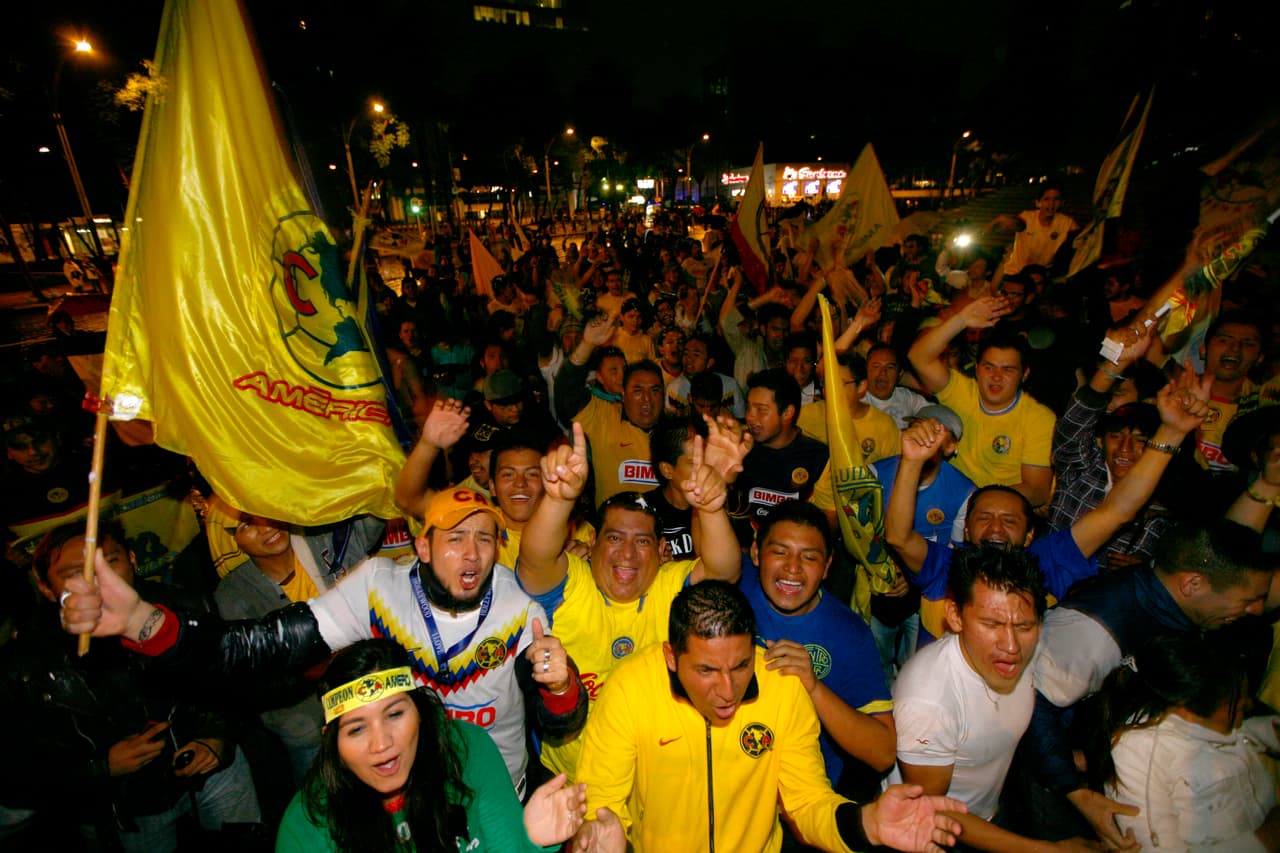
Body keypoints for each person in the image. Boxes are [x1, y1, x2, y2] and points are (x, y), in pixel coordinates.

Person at [60, 488, 587, 801]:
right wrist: (142, 620)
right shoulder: (378, 588)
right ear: (422, 545)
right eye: (454, 537)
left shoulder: (520, 610)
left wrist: (562, 686)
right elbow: (259, 649)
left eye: (484, 538)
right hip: (409, 796)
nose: (470, 554)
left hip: (499, 791)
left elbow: (560, 724)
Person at [571, 580, 968, 853]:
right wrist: (597, 833)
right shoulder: (629, 686)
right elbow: (602, 801)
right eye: (707, 671)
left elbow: (808, 802)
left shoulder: (782, 685)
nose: (728, 691)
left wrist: (868, 825)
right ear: (672, 658)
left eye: (741, 666)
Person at [885, 369, 1209, 644]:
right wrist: (912, 463)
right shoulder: (946, 567)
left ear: (1029, 536)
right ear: (966, 530)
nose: (996, 528)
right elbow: (899, 536)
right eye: (984, 518)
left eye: (1009, 520)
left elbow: (1116, 511)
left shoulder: (1047, 563)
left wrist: (1171, 431)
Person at [0, 521, 262, 851]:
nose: (99, 582)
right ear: (47, 588)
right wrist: (101, 767)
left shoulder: (182, 609)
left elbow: (229, 681)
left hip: (214, 771)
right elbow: (17, 769)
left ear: (134, 560)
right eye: (74, 572)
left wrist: (216, 736)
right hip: (123, 808)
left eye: (110, 562)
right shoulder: (24, 663)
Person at [517, 421, 744, 776]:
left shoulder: (669, 585)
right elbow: (535, 556)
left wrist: (712, 508)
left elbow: (724, 572)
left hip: (653, 778)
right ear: (591, 544)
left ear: (662, 549)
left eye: (642, 541)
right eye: (614, 538)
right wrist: (559, 500)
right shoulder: (573, 583)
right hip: (570, 779)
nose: (628, 554)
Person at [278, 638, 589, 852]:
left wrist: (530, 839)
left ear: (420, 713)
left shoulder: (468, 750)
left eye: (395, 714)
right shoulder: (307, 824)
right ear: (331, 741)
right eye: (357, 729)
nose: (382, 743)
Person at [888, 545, 1096, 852]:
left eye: (1025, 626)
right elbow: (932, 810)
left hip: (990, 809)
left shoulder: (1027, 648)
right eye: (992, 625)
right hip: (939, 836)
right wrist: (1048, 850)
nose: (1011, 646)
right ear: (955, 616)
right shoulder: (928, 702)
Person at [745, 501, 896, 802]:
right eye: (779, 551)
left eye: (809, 557)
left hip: (802, 801)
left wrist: (813, 687)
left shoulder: (850, 633)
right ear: (755, 554)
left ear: (827, 567)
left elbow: (883, 753)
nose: (792, 568)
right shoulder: (731, 587)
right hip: (733, 784)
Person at [1081, 633, 1280, 852]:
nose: (1249, 705)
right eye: (1238, 703)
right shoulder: (1139, 750)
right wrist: (1263, 840)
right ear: (1189, 705)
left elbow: (1260, 730)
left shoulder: (1224, 721)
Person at [908, 297, 1056, 506]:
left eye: (1008, 370)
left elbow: (1036, 491)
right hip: (945, 500)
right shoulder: (961, 391)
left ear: (1024, 375)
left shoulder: (1039, 418)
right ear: (977, 369)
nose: (996, 376)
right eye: (989, 367)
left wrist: (973, 503)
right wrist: (960, 320)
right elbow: (918, 356)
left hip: (995, 511)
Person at [556, 315, 664, 507]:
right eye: (637, 391)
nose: (647, 399)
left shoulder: (676, 432)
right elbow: (567, 390)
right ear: (624, 393)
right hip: (612, 532)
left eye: (654, 390)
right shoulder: (601, 416)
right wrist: (587, 344)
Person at [994, 182, 1080, 277]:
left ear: (1062, 202)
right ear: (1038, 202)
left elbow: (1081, 240)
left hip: (1040, 277)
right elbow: (1016, 223)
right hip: (1016, 272)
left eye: (1056, 199)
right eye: (1046, 199)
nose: (1051, 204)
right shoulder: (1027, 217)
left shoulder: (1067, 223)